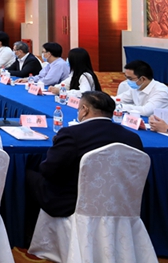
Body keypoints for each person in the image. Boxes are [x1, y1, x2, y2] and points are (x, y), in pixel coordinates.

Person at [25, 91, 143, 226]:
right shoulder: (133, 138)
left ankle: (26, 231)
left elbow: (48, 170)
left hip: (72, 203)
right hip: (120, 202)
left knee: (26, 174)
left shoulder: (71, 134)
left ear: (84, 110)